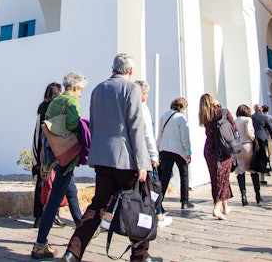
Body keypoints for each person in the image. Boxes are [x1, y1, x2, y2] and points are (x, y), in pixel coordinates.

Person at [60, 54, 156, 262]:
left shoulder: (97, 90)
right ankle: (140, 255)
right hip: (126, 160)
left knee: (97, 207)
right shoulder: (132, 89)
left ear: (112, 67)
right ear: (130, 71)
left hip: (103, 158)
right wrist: (142, 163)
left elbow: (93, 124)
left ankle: (73, 251)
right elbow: (135, 128)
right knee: (140, 203)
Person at [32, 72, 87, 259]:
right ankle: (40, 244)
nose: (81, 94)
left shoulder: (54, 102)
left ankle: (83, 228)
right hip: (66, 156)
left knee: (71, 191)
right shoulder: (72, 102)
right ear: (76, 87)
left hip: (53, 154)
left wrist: (46, 162)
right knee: (55, 197)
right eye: (81, 90)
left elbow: (46, 131)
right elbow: (73, 125)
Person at [135, 80, 171, 228]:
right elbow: (147, 133)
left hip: (133, 153)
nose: (147, 96)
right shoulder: (143, 108)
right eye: (146, 93)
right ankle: (158, 215)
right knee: (153, 186)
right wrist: (153, 154)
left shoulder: (129, 106)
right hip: (145, 154)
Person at [199, 93, 237, 220]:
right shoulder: (221, 112)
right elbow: (234, 127)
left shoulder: (205, 116)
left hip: (209, 149)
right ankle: (217, 207)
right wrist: (219, 106)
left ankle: (225, 206)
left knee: (217, 177)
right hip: (222, 149)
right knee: (222, 178)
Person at [32, 82, 63, 228]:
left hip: (41, 153)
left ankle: (38, 217)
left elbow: (37, 133)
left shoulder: (42, 109)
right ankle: (53, 214)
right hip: (53, 152)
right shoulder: (55, 109)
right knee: (55, 183)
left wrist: (35, 156)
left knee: (41, 183)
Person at [157, 97, 192, 210]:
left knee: (165, 176)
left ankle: (159, 202)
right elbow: (184, 137)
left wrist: (158, 148)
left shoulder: (164, 116)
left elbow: (160, 134)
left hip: (164, 149)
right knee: (184, 174)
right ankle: (184, 201)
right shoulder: (181, 118)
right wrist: (188, 151)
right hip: (178, 150)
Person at [233, 105, 261, 205]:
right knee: (253, 169)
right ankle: (257, 195)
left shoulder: (235, 120)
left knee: (240, 171)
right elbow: (249, 132)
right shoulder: (248, 119)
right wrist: (254, 139)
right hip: (247, 145)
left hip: (238, 147)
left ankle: (243, 196)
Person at [252, 104, 272, 183]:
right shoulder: (264, 117)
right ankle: (262, 176)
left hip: (254, 139)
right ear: (260, 109)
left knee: (255, 157)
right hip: (263, 139)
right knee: (263, 156)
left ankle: (255, 173)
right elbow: (271, 129)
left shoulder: (251, 117)